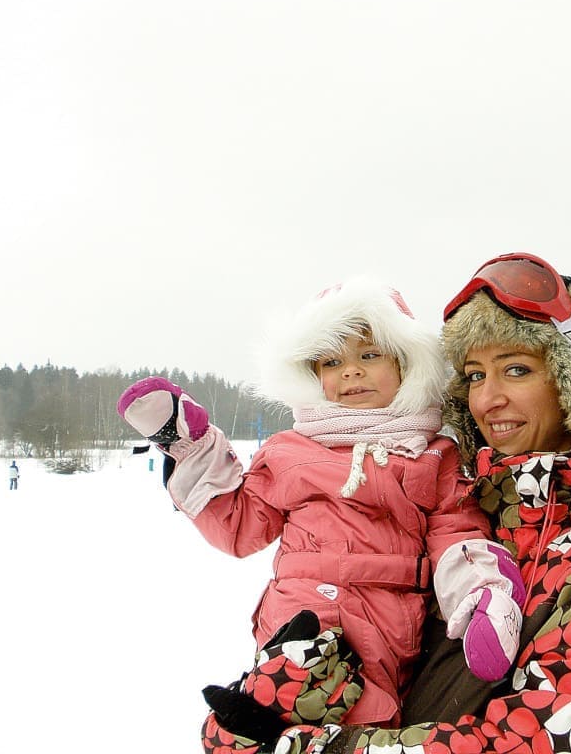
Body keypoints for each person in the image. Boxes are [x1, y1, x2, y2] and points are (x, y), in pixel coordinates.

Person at [208, 252, 571, 754]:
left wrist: (312, 749)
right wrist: (263, 713)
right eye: (475, 375)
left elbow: (550, 735)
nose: (487, 399)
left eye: (516, 369)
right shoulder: (464, 503)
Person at [117, 279, 525, 735]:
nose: (351, 372)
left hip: (384, 616)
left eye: (369, 355)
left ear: (405, 364)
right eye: (332, 361)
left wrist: (480, 591)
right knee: (285, 713)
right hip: (297, 614)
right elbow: (240, 526)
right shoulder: (289, 450)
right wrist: (195, 451)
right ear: (312, 375)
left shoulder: (431, 453)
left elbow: (455, 530)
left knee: (365, 716)